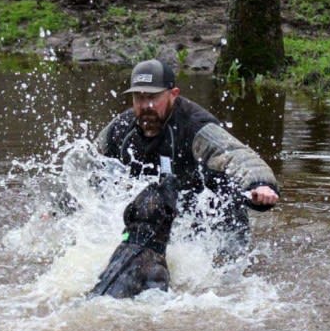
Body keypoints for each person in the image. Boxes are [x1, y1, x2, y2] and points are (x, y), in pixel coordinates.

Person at [95, 59, 279, 256]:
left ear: (173, 94)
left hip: (214, 217)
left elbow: (236, 155)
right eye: (139, 98)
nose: (145, 105)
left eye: (153, 97)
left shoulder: (195, 126)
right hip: (169, 213)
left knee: (225, 276)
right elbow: (86, 162)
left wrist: (260, 184)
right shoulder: (121, 129)